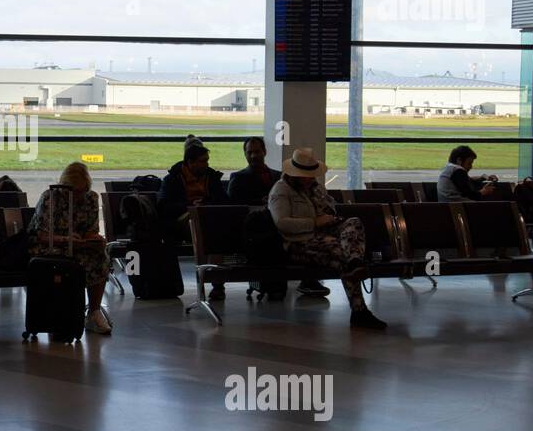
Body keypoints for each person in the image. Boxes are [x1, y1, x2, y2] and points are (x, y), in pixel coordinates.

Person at [268, 148, 387, 330]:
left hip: (322, 236)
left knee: (353, 223)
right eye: (305, 175)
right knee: (340, 254)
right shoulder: (281, 190)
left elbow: (331, 207)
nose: (309, 178)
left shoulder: (314, 188)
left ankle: (355, 263)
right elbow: (282, 223)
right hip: (296, 243)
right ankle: (359, 310)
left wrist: (325, 207)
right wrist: (314, 222)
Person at [227, 137, 329, 298]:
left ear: (264, 152)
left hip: (283, 226)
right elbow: (235, 206)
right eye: (250, 152)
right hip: (262, 228)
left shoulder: (279, 177)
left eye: (257, 151)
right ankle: (305, 280)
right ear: (245, 154)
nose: (254, 155)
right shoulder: (238, 178)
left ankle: (307, 279)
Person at [28, 161, 113, 335]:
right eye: (75, 192)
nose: (79, 196)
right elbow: (40, 236)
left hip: (76, 246)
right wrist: (65, 239)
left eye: (82, 191)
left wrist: (94, 240)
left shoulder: (90, 198)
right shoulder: (50, 198)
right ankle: (65, 312)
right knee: (73, 261)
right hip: (50, 246)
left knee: (100, 256)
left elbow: (90, 230)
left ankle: (93, 311)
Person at [159, 136, 229, 296]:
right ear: (190, 163)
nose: (207, 164)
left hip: (208, 219)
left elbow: (224, 201)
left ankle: (215, 282)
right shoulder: (172, 180)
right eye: (203, 161)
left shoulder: (212, 178)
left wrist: (207, 204)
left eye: (207, 160)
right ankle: (215, 282)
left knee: (212, 229)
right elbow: (164, 206)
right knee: (205, 225)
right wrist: (189, 206)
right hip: (184, 221)